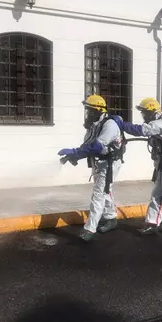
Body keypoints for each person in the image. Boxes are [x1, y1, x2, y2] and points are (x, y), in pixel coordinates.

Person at [114, 97, 162, 236]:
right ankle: (152, 224)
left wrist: (122, 125)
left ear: (152, 111)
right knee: (157, 195)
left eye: (145, 113)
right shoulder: (159, 123)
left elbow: (141, 130)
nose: (143, 116)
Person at [58, 95, 125, 242]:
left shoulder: (110, 125)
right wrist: (73, 156)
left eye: (90, 110)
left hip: (109, 163)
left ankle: (90, 228)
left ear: (98, 110)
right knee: (106, 190)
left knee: (98, 194)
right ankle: (111, 218)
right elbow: (87, 145)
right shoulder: (94, 125)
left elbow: (97, 146)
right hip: (99, 162)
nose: (87, 113)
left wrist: (76, 153)